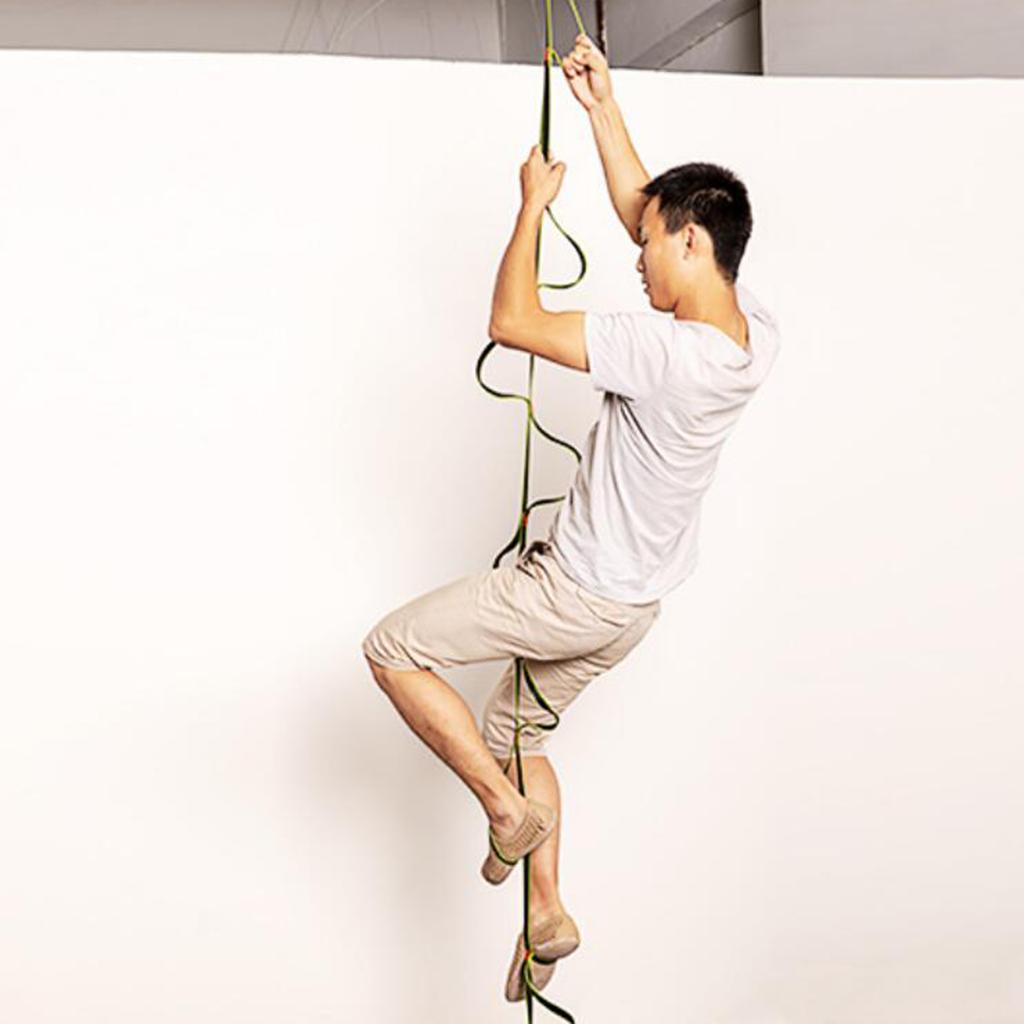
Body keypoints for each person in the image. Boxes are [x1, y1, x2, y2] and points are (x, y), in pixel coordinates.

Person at [361, 32, 782, 1002]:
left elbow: (511, 323)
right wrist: (600, 105)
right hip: (633, 610)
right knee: (523, 733)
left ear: (692, 244)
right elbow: (647, 208)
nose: (636, 256)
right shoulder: (750, 333)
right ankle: (546, 909)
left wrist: (531, 209)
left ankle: (505, 813)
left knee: (391, 649)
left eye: (650, 245)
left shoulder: (664, 353)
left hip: (573, 595)